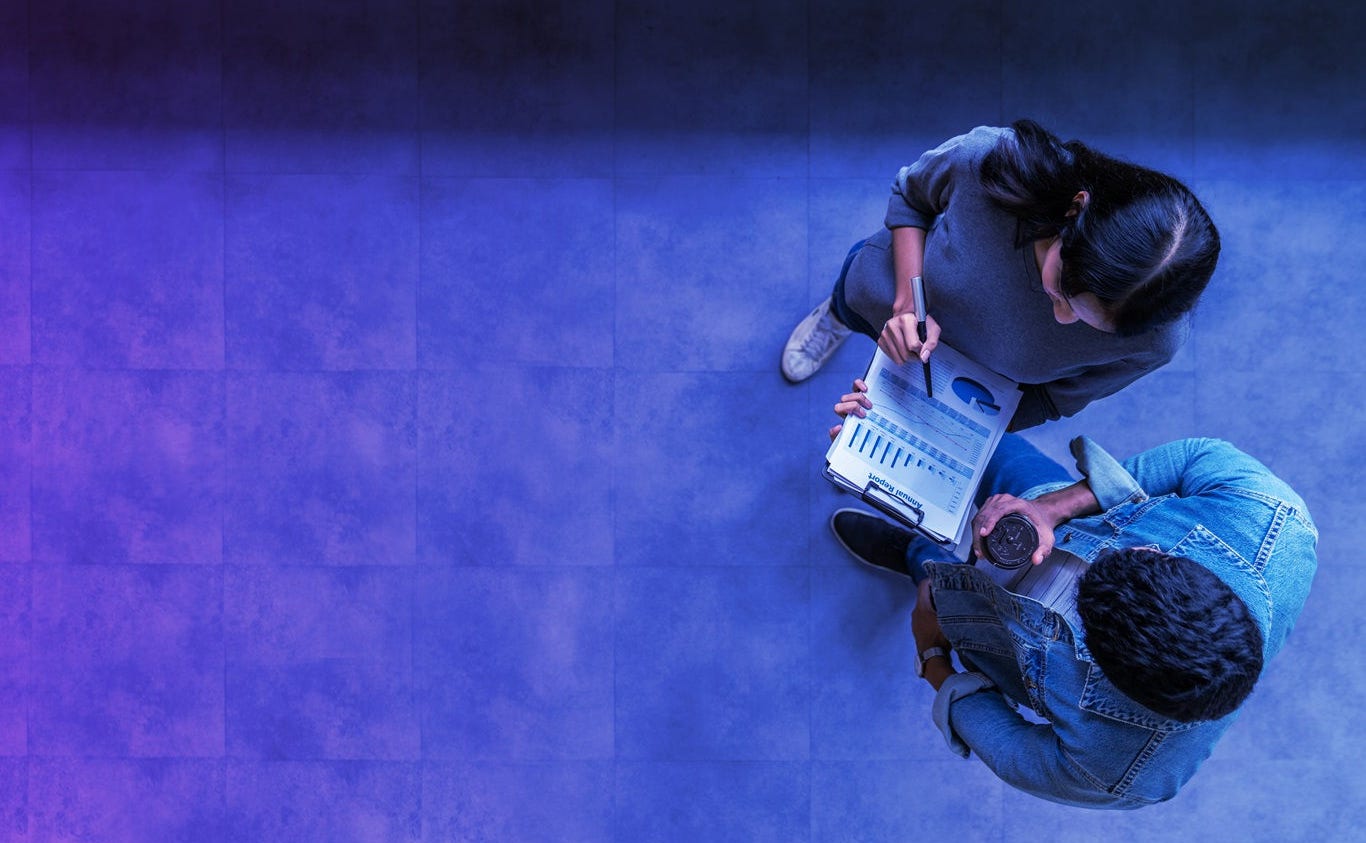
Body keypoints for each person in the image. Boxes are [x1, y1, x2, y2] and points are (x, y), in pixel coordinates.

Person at [826, 383, 1317, 809]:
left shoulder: (1123, 774)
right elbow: (1195, 457)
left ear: (1104, 661)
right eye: (1143, 551)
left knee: (934, 585)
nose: (1098, 559)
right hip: (1044, 504)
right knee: (972, 440)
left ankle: (915, 556)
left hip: (989, 627)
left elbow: (1013, 751)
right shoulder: (1276, 523)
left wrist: (932, 653)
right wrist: (1052, 509)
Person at [783, 120, 1221, 430]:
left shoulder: (1155, 341)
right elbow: (910, 196)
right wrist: (905, 301)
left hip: (959, 381)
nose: (1063, 320)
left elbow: (1050, 399)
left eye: (1093, 324)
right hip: (883, 289)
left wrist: (936, 428)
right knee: (850, 302)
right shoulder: (993, 162)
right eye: (1062, 292)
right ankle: (835, 319)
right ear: (1074, 211)